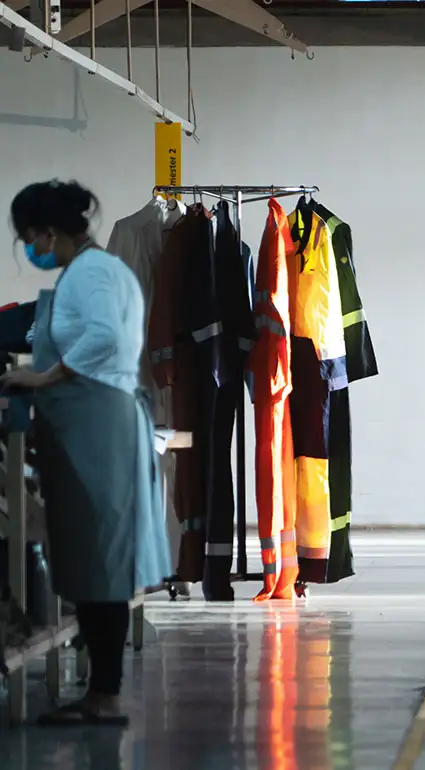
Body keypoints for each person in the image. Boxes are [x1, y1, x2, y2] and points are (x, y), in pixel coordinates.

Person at [1, 180, 171, 726]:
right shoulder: (100, 269)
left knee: (101, 557)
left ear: (49, 232)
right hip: (95, 419)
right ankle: (102, 690)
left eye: (30, 238)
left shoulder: (93, 273)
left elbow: (104, 339)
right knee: (96, 556)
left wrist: (44, 375)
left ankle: (105, 693)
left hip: (95, 422)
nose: (31, 249)